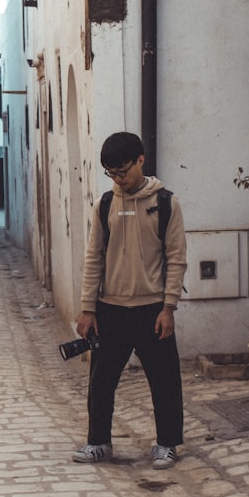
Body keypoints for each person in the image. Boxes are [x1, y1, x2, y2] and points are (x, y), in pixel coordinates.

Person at [72, 131, 188, 469]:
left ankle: (166, 443)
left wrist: (169, 307)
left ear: (141, 160)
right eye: (112, 173)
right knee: (101, 381)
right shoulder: (105, 205)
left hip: (152, 309)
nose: (119, 179)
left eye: (124, 171)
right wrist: (87, 308)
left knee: (164, 381)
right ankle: (98, 442)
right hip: (110, 309)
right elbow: (95, 257)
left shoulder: (165, 204)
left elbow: (176, 258)